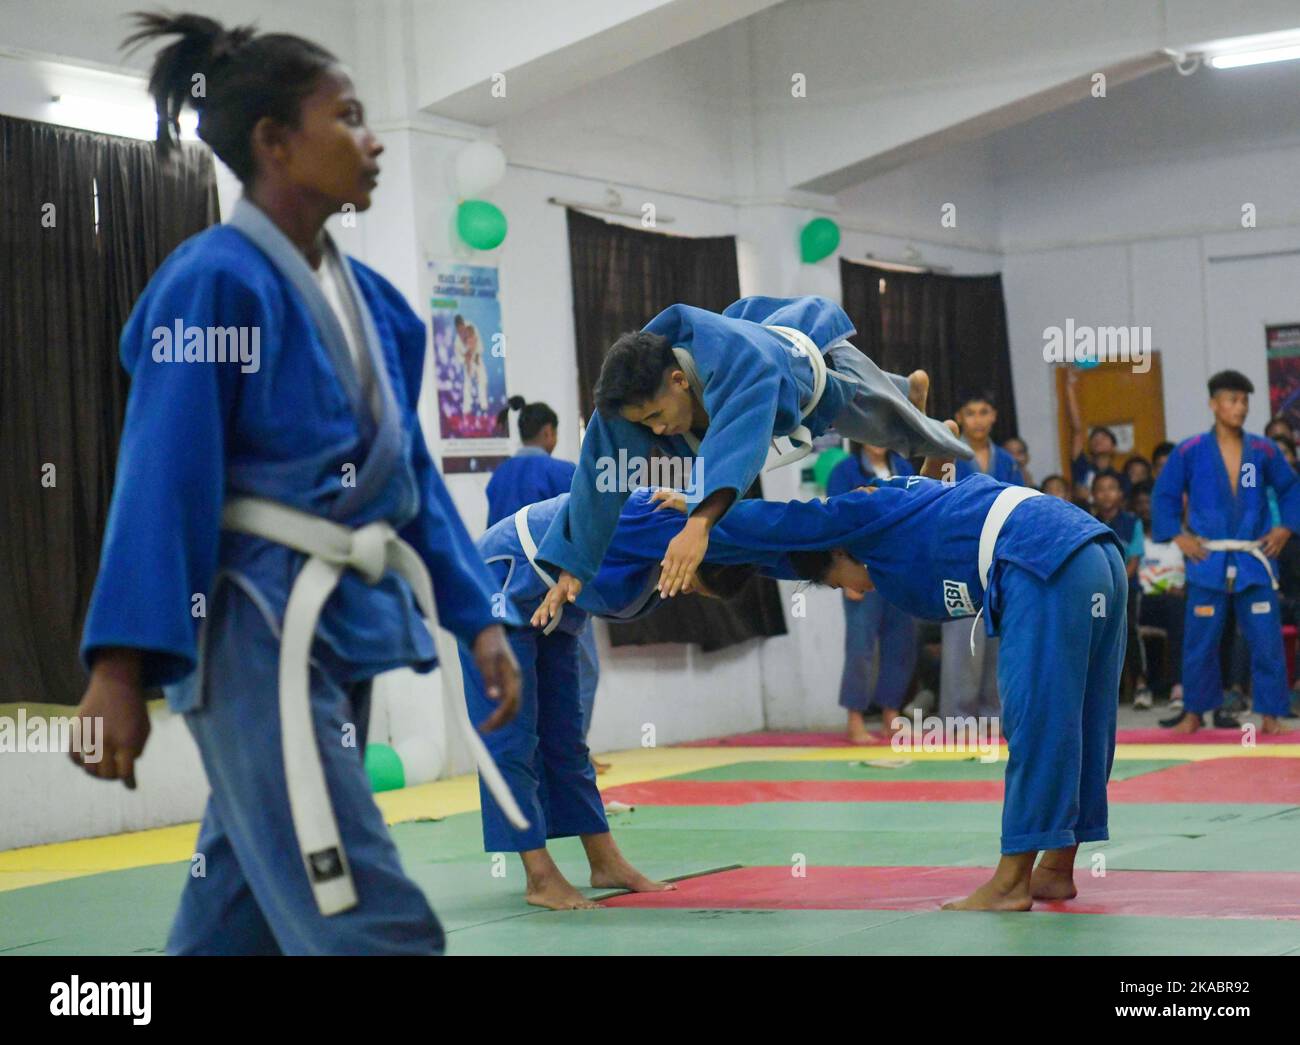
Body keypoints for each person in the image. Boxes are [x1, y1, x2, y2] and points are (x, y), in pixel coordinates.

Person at [70, 13, 522, 956]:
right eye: (349, 116)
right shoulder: (213, 285)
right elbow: (161, 475)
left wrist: (474, 614)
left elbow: (411, 488)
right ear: (275, 142)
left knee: (234, 923)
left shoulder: (383, 311)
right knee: (367, 919)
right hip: (254, 635)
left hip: (335, 631)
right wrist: (119, 665)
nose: (375, 139)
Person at [767, 469, 1125, 911]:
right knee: (1085, 717)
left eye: (841, 580)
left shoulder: (872, 521)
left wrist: (701, 515)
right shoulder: (911, 501)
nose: (857, 588)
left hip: (1044, 560)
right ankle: (1054, 868)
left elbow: (777, 524)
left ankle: (1011, 883)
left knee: (1039, 724)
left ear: (842, 548)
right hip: (1095, 549)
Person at [530, 295, 972, 627]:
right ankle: (911, 405)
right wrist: (573, 566)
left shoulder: (739, 366)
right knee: (883, 428)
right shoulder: (637, 388)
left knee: (875, 417)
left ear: (679, 380)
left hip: (804, 376)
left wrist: (699, 521)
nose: (657, 430)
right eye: (645, 422)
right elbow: (596, 476)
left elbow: (735, 442)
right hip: (755, 380)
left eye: (657, 416)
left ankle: (913, 408)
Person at [470, 487, 760, 908]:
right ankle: (539, 876)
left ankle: (604, 860)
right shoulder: (653, 515)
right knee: (512, 736)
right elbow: (584, 517)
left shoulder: (703, 533)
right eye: (697, 587)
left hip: (555, 604)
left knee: (567, 738)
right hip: (499, 582)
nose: (688, 592)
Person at [1153, 370, 1300, 735]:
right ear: (1213, 404)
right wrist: (1177, 535)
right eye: (1233, 400)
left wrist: (1285, 528)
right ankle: (1194, 712)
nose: (1241, 407)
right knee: (1200, 639)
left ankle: (1271, 714)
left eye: (1245, 400)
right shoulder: (1190, 451)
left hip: (1252, 558)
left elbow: (1290, 489)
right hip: (1209, 558)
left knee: (1266, 639)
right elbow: (1165, 495)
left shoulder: (1262, 451)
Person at [486, 398, 606, 767]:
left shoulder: (498, 477)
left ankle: (533, 759)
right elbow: (588, 524)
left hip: (504, 586)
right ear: (549, 432)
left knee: (523, 676)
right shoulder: (562, 471)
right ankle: (573, 756)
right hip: (555, 587)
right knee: (579, 670)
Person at [939, 392, 1025, 723]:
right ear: (960, 418)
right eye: (970, 412)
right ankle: (957, 720)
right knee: (963, 639)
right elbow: (939, 505)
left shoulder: (1008, 461)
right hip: (960, 558)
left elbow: (1021, 506)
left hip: (1001, 558)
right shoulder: (948, 457)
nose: (977, 419)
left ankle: (995, 716)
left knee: (999, 641)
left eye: (984, 412)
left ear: (994, 417)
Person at [827, 443, 918, 741]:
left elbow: (915, 517)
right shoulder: (844, 472)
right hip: (859, 568)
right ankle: (855, 718)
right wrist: (846, 571)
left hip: (898, 569)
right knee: (860, 647)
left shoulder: (903, 468)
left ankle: (891, 714)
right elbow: (835, 522)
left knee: (900, 644)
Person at [1091, 474, 1146, 706]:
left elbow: (1133, 560)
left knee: (1131, 630)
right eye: (1101, 489)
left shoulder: (1133, 522)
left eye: (1112, 488)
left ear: (1121, 494)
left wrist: (1117, 584)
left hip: (1126, 588)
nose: (1106, 494)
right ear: (1093, 495)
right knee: (1093, 633)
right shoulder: (1086, 521)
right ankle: (1096, 688)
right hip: (1096, 590)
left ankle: (1142, 685)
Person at [1131, 480, 1185, 710]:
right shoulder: (1137, 540)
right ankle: (1145, 686)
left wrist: (1185, 590)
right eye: (1141, 503)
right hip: (1145, 600)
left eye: (1151, 502)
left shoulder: (1182, 538)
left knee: (1177, 608)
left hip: (1178, 600)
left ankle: (1178, 685)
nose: (1146, 507)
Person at [1064, 368, 1125, 502]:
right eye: (1095, 438)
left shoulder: (1121, 478)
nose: (1099, 440)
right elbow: (1077, 430)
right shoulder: (1081, 466)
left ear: (1114, 447)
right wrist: (1070, 389)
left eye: (1104, 438)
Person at [454, 314, 489, 413]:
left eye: (462, 327)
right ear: (456, 328)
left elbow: (479, 342)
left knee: (482, 380)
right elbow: (459, 358)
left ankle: (484, 404)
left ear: (463, 324)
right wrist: (466, 359)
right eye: (459, 329)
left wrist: (477, 354)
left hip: (477, 357)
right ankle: (467, 407)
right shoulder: (457, 342)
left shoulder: (471, 327)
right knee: (467, 384)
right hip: (467, 361)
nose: (461, 330)